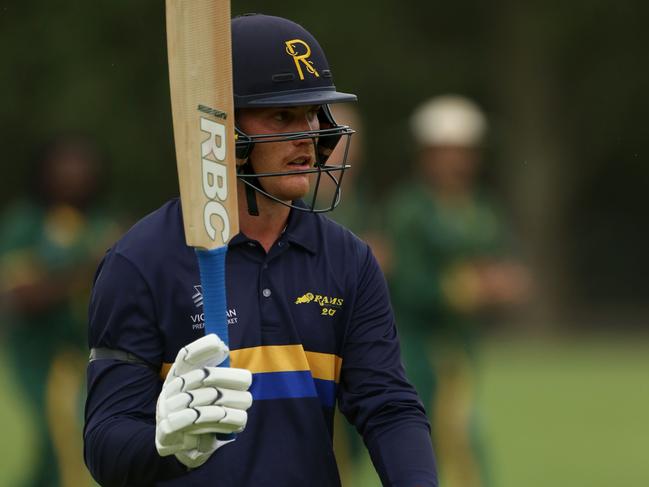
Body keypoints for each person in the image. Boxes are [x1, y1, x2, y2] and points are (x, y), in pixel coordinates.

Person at [84, 14, 437, 487]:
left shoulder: (347, 260)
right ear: (221, 128)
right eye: (282, 116)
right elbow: (105, 442)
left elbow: (388, 406)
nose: (307, 136)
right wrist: (167, 448)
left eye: (312, 114)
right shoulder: (139, 263)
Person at [386, 95, 531, 487]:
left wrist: (504, 283)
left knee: (460, 441)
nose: (456, 160)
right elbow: (409, 285)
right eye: (446, 150)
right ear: (427, 154)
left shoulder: (482, 209)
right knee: (436, 443)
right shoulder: (410, 209)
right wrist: (471, 288)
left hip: (460, 348)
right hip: (417, 349)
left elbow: (498, 264)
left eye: (463, 151)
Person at [0, 134, 119, 487]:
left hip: (91, 361)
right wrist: (88, 266)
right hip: (35, 362)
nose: (74, 173)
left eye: (82, 164)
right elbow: (20, 295)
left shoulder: (103, 223)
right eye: (64, 164)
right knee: (41, 449)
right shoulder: (27, 224)